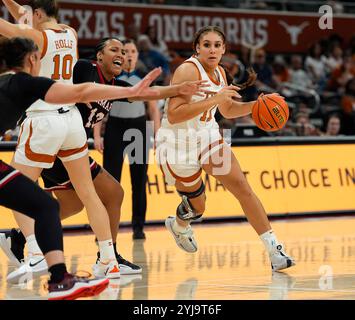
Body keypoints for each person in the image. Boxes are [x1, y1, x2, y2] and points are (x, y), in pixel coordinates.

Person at [1, 37, 207, 277]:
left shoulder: (113, 85)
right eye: (113, 50)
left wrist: (176, 89)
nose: (120, 54)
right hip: (54, 144)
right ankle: (104, 256)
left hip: (71, 146)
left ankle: (21, 236)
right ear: (99, 56)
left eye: (123, 51)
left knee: (87, 200)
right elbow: (74, 85)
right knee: (100, 195)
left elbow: (143, 94)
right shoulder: (83, 68)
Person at [0, 0, 152, 281]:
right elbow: (22, 17)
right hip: (71, 121)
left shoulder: (37, 37)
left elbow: (9, 27)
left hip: (43, 118)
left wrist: (15, 13)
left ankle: (34, 254)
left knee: (15, 188)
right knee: (88, 193)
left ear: (37, 14)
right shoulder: (69, 33)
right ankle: (108, 259)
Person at [155, 25, 295, 272]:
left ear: (223, 49)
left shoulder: (220, 72)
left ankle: (275, 250)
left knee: (242, 187)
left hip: (207, 136)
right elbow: (174, 115)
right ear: (197, 48)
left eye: (217, 45)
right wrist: (214, 100)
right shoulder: (188, 70)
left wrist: (258, 105)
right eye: (206, 44)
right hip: (177, 144)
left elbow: (227, 110)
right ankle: (178, 225)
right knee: (198, 207)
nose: (212, 49)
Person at [94, 39, 158, 240]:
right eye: (125, 51)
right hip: (115, 128)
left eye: (132, 51)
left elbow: (154, 108)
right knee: (110, 183)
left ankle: (138, 227)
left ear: (137, 55)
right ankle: (104, 229)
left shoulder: (144, 77)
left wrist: (158, 135)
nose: (129, 54)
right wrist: (97, 135)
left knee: (139, 181)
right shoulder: (112, 76)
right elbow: (99, 105)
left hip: (139, 128)